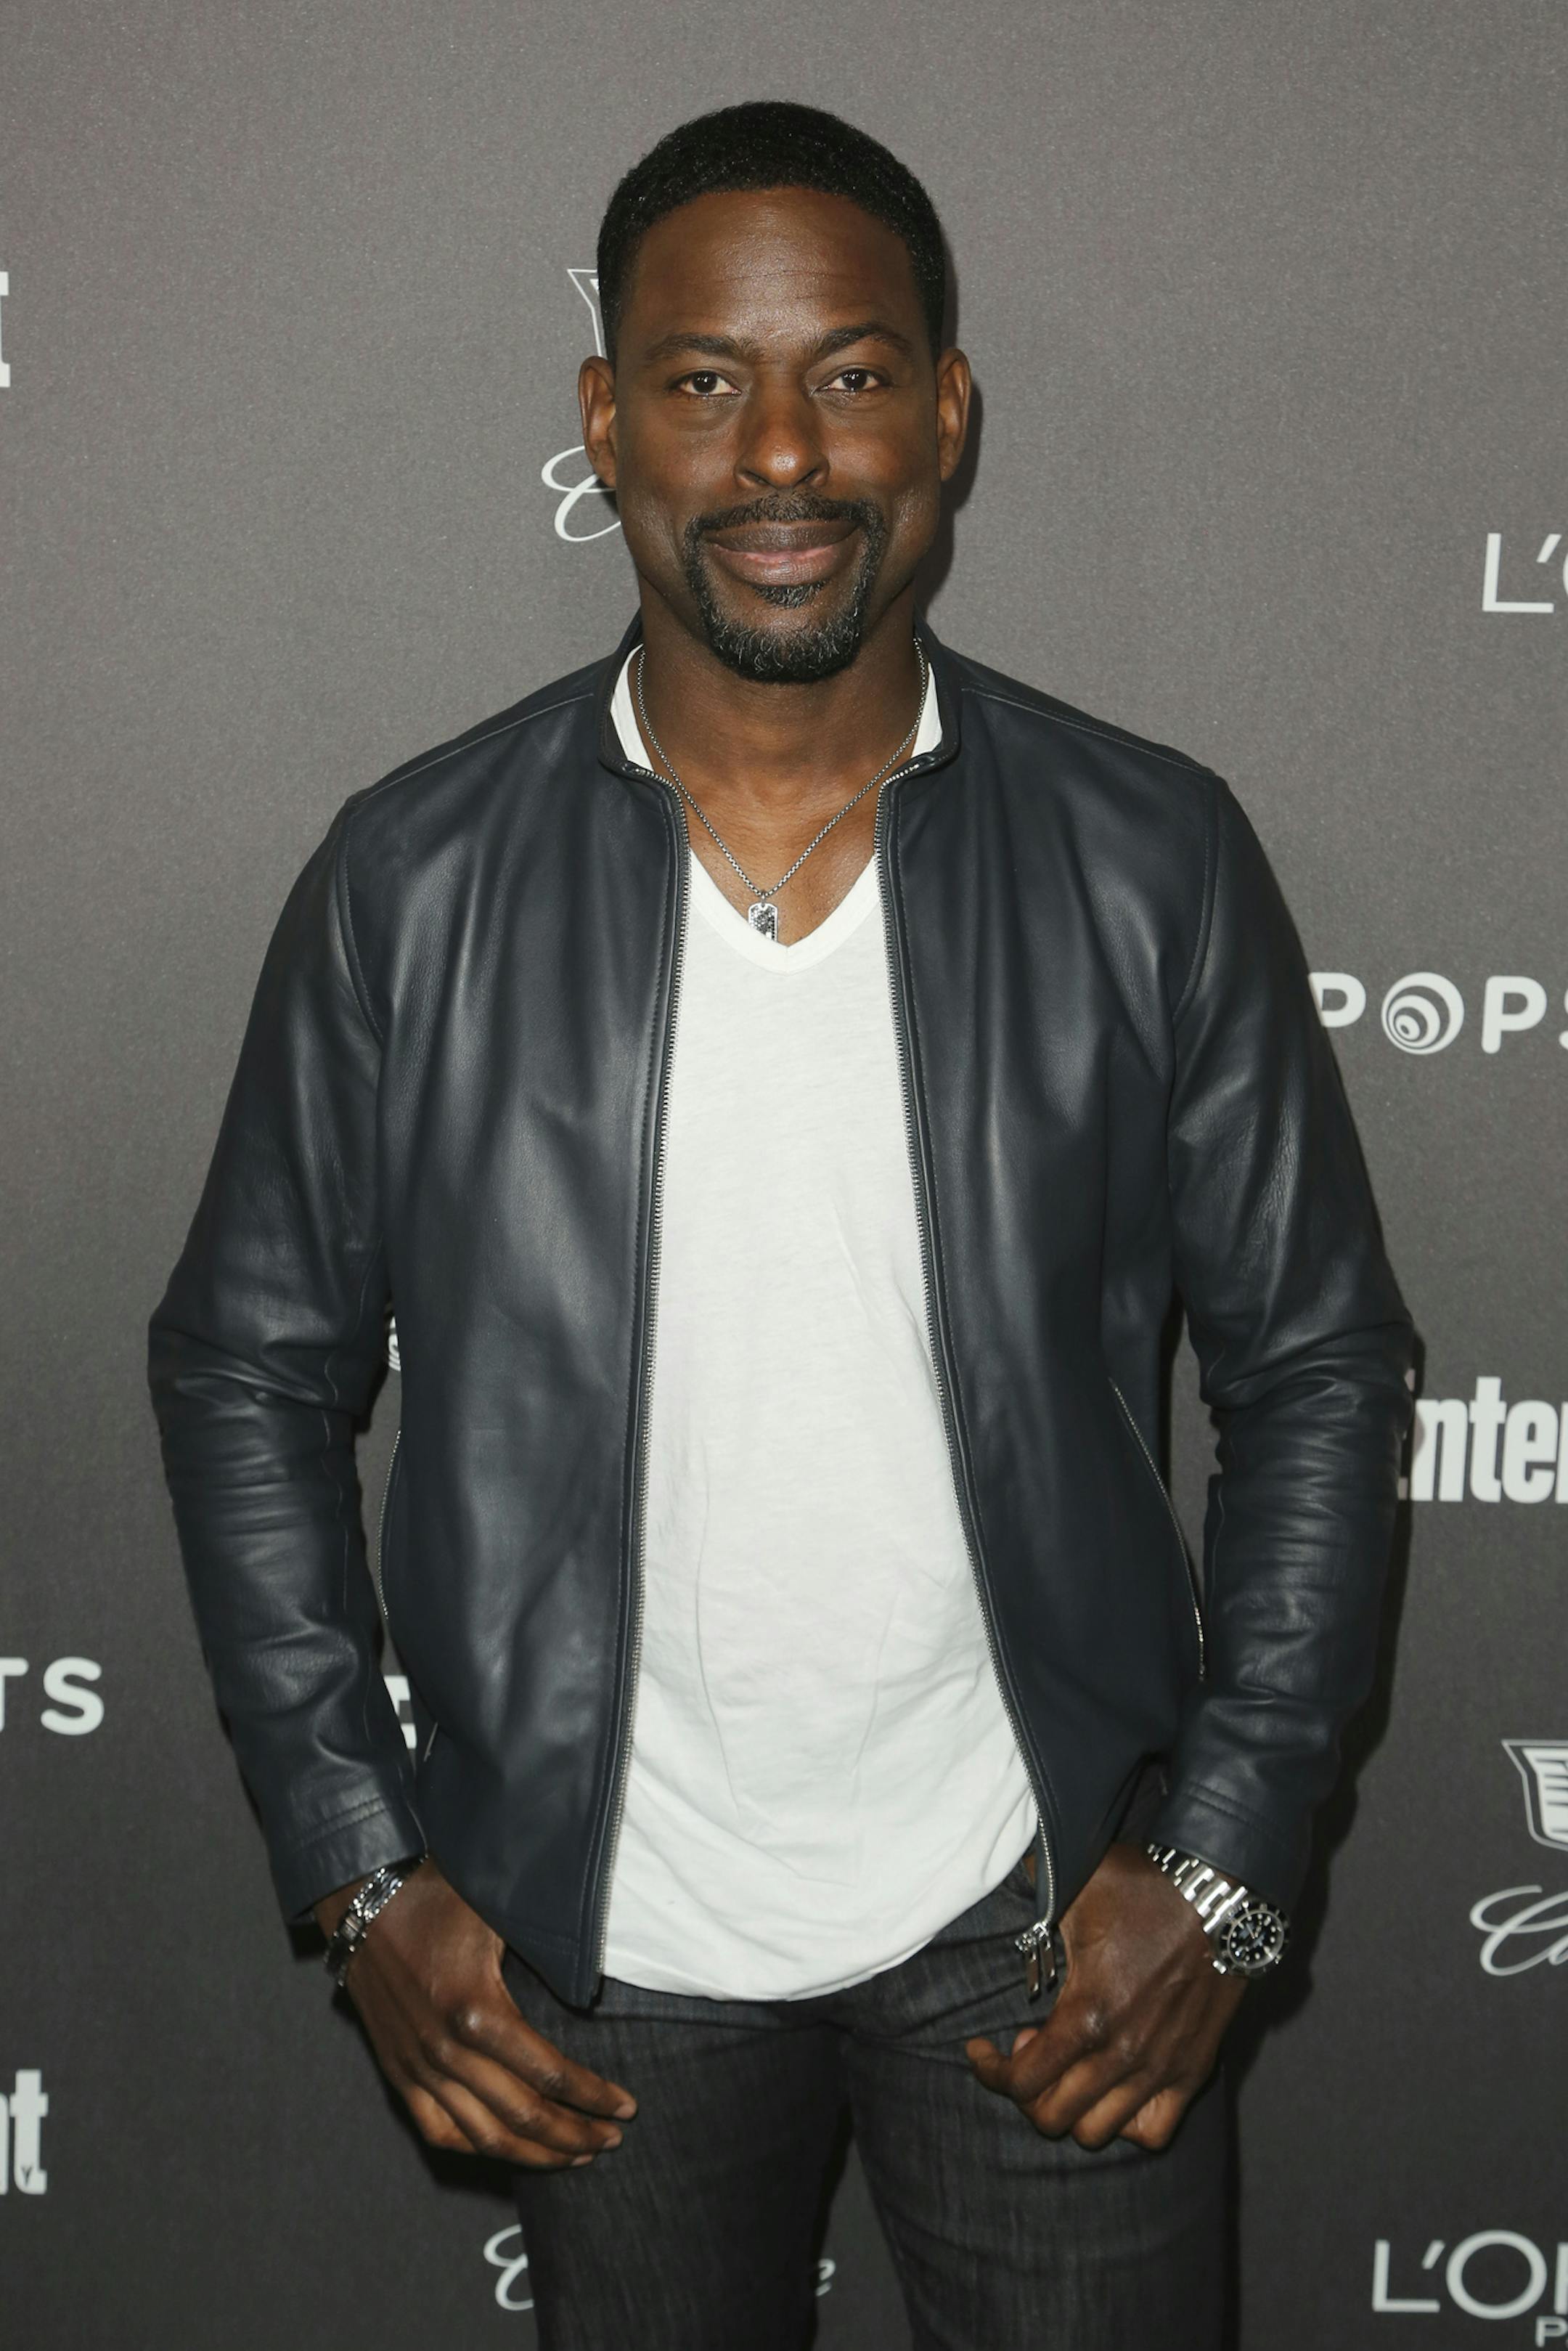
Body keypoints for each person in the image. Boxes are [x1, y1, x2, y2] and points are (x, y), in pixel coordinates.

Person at [148, 99, 1413, 2351]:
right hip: (594, 1966)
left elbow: (1316, 1364)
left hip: (1046, 1935)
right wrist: (362, 1873)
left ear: (946, 411)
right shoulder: (411, 881)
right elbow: (246, 1365)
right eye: (706, 380)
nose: (783, 458)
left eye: (847, 373)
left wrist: (1217, 1870)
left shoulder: (1151, 859)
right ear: (606, 418)